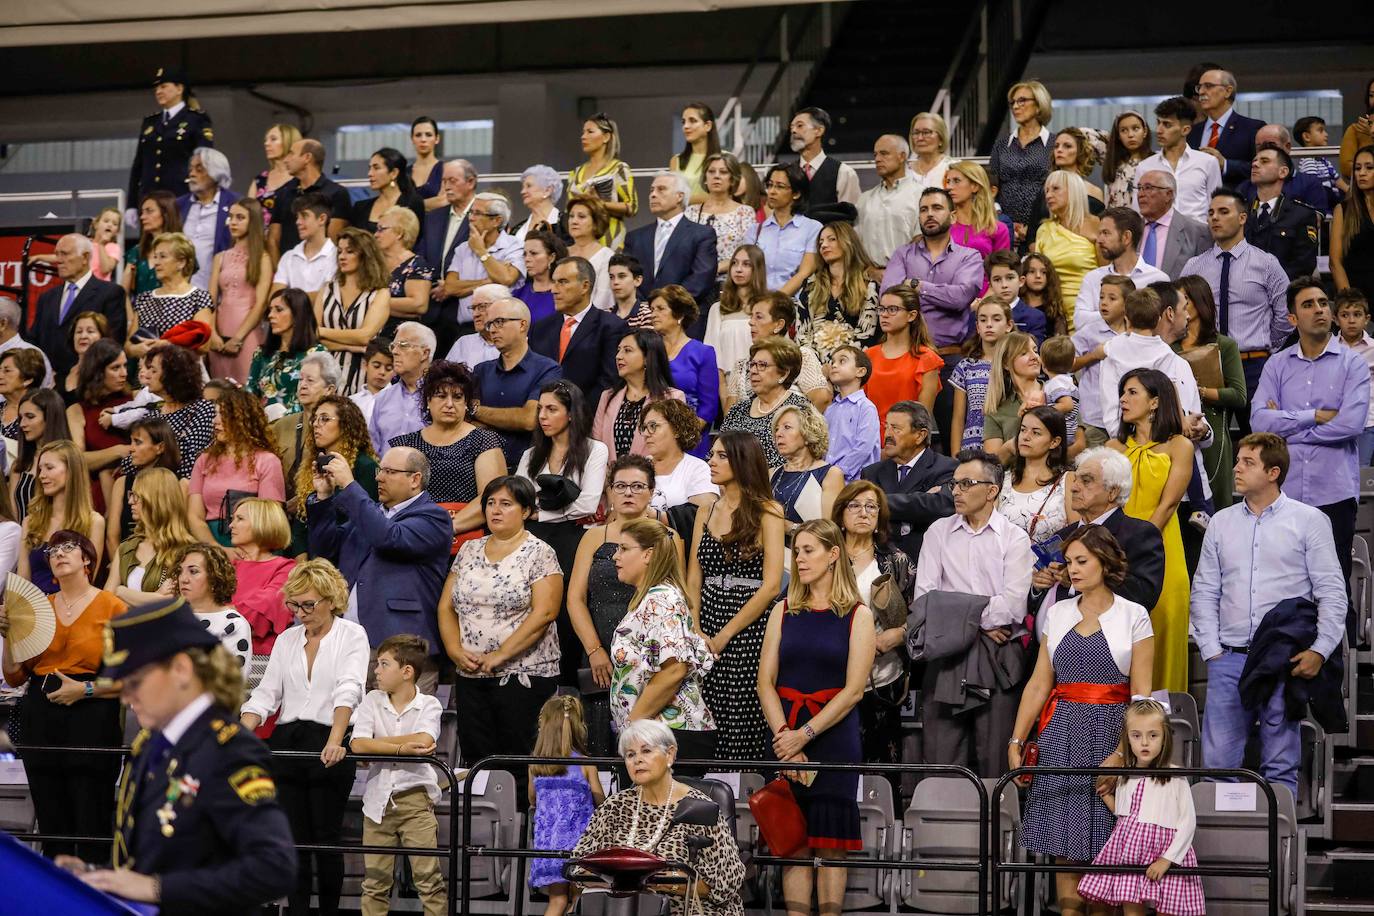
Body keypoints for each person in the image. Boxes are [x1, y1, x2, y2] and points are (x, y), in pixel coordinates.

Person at [72, 592, 296, 912]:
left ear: (180, 669)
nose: (126, 698)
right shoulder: (151, 743)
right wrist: (100, 876)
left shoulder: (229, 750)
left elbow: (274, 868)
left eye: (134, 681)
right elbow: (148, 853)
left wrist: (157, 888)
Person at [1011, 526, 1155, 916]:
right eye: (1070, 562)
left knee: (1112, 850)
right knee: (1065, 847)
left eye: (1082, 561)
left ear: (1105, 563)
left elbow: (1142, 697)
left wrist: (1123, 753)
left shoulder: (1134, 615)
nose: (1072, 569)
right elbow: (1039, 683)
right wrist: (1016, 740)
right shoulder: (1057, 613)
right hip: (1061, 736)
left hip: (1113, 734)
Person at [1192, 433, 1346, 793]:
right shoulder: (1221, 522)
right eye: (1238, 460)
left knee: (1280, 764)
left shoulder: (1310, 521)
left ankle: (1277, 848)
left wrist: (1321, 650)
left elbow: (1332, 592)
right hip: (1228, 657)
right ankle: (1227, 848)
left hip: (1283, 659)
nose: (1236, 468)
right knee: (1217, 768)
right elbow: (1205, 590)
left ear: (1273, 471)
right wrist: (1211, 650)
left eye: (1247, 462)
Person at [758, 519, 874, 914]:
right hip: (785, 732)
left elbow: (854, 690)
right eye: (797, 551)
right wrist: (785, 737)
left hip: (833, 737)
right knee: (793, 840)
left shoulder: (858, 615)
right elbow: (765, 682)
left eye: (809, 550)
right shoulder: (783, 610)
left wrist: (803, 735)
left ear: (833, 555)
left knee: (830, 842)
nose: (800, 558)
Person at [241, 558, 368, 916]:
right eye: (294, 605)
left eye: (308, 605)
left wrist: (336, 739)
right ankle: (296, 911)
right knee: (292, 841)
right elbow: (267, 695)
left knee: (326, 838)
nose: (300, 613)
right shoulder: (287, 638)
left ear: (331, 600)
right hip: (287, 741)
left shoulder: (352, 634)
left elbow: (350, 689)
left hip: (331, 736)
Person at [0, 529, 124, 861]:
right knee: (52, 818)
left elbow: (135, 676)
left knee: (90, 817)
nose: (58, 553)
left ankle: (94, 902)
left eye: (68, 547)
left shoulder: (112, 605)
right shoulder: (39, 607)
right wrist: (10, 636)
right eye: (52, 550)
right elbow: (14, 675)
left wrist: (84, 689)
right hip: (40, 713)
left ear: (87, 559)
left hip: (92, 715)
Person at [438, 476, 562, 791]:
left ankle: (516, 832)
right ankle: (480, 833)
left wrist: (500, 656)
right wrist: (455, 650)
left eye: (506, 504)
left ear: (526, 511)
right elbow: (446, 608)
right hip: (471, 673)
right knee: (478, 760)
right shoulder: (469, 549)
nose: (495, 510)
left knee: (518, 760)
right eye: (491, 503)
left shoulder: (540, 552)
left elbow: (545, 613)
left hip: (524, 674)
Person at [913, 449, 1033, 777]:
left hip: (998, 656)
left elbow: (1012, 606)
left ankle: (995, 828)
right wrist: (978, 622)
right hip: (947, 655)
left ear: (992, 491)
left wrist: (957, 613)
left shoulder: (1014, 538)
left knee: (995, 761)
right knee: (940, 760)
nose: (957, 491)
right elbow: (926, 601)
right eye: (954, 484)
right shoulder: (938, 532)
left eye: (967, 484)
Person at [1253, 278, 1367, 594]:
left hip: (1334, 494)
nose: (1319, 309)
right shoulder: (1277, 364)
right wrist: (1314, 416)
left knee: (1333, 584)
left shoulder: (1353, 363)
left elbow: (1351, 425)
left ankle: (1337, 645)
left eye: (1322, 303)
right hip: (1284, 494)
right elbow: (1259, 420)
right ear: (1292, 319)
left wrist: (1287, 431)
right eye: (1308, 305)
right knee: (1284, 585)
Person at [570, 719, 745, 916]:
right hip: (625, 907)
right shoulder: (614, 806)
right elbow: (578, 868)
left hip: (687, 909)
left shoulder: (699, 807)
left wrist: (669, 886)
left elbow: (726, 883)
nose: (637, 760)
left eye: (646, 751)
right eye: (630, 754)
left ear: (670, 754)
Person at [308, 446, 452, 674]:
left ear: (415, 479)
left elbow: (387, 537)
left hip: (402, 648)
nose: (378, 477)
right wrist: (324, 497)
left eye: (389, 471)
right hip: (349, 642)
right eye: (379, 470)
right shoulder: (371, 513)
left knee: (402, 711)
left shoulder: (434, 517)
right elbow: (325, 551)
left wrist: (349, 486)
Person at [687, 431, 785, 761]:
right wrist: (698, 629)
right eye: (711, 454)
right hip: (706, 623)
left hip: (750, 624)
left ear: (742, 461)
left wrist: (726, 634)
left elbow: (771, 585)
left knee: (743, 712)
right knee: (707, 711)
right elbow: (693, 579)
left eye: (720, 456)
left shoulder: (769, 511)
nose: (710, 461)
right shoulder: (705, 511)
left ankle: (744, 794)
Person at [567, 457, 672, 754]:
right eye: (621, 486)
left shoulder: (668, 539)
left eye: (638, 486)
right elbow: (575, 598)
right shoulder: (592, 537)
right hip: (598, 651)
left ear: (652, 492)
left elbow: (680, 597)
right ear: (610, 492)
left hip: (649, 657)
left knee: (644, 743)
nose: (628, 492)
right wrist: (594, 650)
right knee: (599, 742)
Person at [1106, 369, 1194, 693]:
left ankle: (1166, 730)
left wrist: (1137, 546)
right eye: (1122, 392)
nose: (1123, 400)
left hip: (1163, 552)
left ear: (1155, 401)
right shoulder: (1113, 447)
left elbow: (1168, 505)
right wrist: (1115, 552)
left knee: (1165, 638)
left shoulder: (1179, 446)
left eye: (1132, 393)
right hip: (1116, 555)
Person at [348, 633, 448, 916]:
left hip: (415, 801)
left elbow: (425, 739)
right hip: (377, 803)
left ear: (406, 672)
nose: (376, 671)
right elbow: (358, 744)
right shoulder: (372, 700)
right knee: (375, 883)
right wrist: (403, 748)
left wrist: (378, 746)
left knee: (429, 881)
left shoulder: (429, 704)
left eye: (383, 664)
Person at [1076, 700, 1206, 916]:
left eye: (1153, 735)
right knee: (1131, 907)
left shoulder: (1175, 776)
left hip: (1166, 851)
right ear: (1128, 738)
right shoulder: (1126, 776)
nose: (1144, 742)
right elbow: (1127, 815)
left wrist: (1167, 859)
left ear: (1164, 738)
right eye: (1136, 736)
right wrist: (1108, 797)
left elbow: (1187, 822)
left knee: (1170, 907)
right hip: (1130, 850)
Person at [1180, 188, 1293, 429]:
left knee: (1259, 438)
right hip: (1206, 362)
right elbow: (1180, 313)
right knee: (1207, 439)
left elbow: (1285, 314)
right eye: (1210, 213)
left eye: (1223, 212)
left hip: (1252, 364)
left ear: (1242, 218)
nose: (1215, 218)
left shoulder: (1266, 263)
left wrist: (1265, 346)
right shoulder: (1194, 266)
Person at [881, 188, 985, 443]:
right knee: (900, 435)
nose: (929, 214)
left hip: (949, 358)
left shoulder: (968, 256)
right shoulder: (903, 254)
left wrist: (917, 286)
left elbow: (961, 297)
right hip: (908, 358)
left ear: (952, 214)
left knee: (955, 437)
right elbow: (890, 298)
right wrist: (942, 295)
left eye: (937, 208)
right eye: (924, 209)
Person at [609, 515, 717, 757]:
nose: (615, 556)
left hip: (668, 733)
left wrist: (632, 725)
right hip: (655, 733)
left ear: (648, 554)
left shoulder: (661, 600)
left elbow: (673, 670)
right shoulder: (652, 598)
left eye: (624, 548)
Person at [832, 482, 914, 768]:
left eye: (871, 506)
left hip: (880, 679)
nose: (863, 513)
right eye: (854, 506)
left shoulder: (896, 560)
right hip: (829, 678)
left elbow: (919, 615)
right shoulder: (825, 557)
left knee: (878, 763)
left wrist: (898, 635)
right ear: (840, 514)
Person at [1032, 447, 1166, 616]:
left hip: (1102, 638)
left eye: (1086, 481)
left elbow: (1142, 596)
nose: (1073, 487)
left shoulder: (1139, 534)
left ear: (1113, 492)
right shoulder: (1063, 535)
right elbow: (1033, 604)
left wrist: (1077, 582)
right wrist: (1037, 587)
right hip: (1043, 639)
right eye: (1075, 480)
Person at [388, 361, 504, 540]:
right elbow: (391, 496)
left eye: (457, 397)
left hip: (467, 540)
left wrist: (445, 528)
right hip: (412, 534)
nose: (449, 404)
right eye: (441, 396)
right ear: (428, 401)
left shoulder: (484, 440)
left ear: (466, 403)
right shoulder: (406, 443)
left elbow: (492, 497)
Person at [517, 381, 610, 601]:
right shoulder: (530, 455)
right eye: (540, 409)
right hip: (535, 537)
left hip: (574, 537)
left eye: (552, 409)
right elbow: (520, 498)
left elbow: (587, 504)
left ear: (571, 414)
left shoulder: (595, 450)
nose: (542, 416)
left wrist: (541, 514)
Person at [527, 694, 604, 916]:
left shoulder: (536, 764)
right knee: (580, 899)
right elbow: (601, 802)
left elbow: (533, 800)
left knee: (557, 901)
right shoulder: (584, 763)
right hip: (580, 845)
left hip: (549, 846)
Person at [1174, 276, 1247, 508]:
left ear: (1199, 301)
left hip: (1213, 430)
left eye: (1185, 298)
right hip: (1177, 431)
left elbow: (1239, 395)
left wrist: (1199, 391)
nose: (1180, 305)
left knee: (1217, 507)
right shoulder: (1168, 348)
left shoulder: (1224, 345)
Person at [470, 298, 564, 471]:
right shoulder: (481, 370)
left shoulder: (547, 369)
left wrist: (477, 411)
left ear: (522, 325)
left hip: (528, 469)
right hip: (482, 467)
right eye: (490, 324)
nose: (492, 330)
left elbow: (529, 419)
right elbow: (467, 425)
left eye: (499, 322)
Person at [859, 401, 956, 563]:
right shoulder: (871, 472)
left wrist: (877, 501)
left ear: (920, 435)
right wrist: (922, 499)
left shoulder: (946, 467)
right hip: (880, 562)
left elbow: (941, 505)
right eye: (886, 427)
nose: (887, 434)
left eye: (896, 428)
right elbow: (864, 512)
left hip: (928, 559)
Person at [188, 387, 286, 546]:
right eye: (216, 414)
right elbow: (194, 516)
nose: (215, 421)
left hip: (254, 545)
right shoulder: (204, 460)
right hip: (209, 543)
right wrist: (217, 549)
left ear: (243, 419)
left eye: (224, 415)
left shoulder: (267, 461)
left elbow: (269, 521)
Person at [529, 256, 627, 409]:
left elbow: (609, 382)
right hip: (543, 419)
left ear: (585, 286)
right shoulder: (540, 328)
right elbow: (532, 376)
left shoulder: (611, 327)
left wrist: (571, 412)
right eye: (554, 282)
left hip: (586, 419)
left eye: (562, 282)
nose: (554, 290)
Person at [31, 234, 128, 381]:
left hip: (90, 383)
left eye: (64, 253)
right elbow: (34, 340)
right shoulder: (47, 298)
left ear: (85, 257)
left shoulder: (110, 293)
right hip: (48, 384)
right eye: (57, 254)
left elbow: (113, 343)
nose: (58, 260)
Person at [440, 192, 525, 355]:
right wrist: (488, 283)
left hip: (501, 328)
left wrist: (481, 251)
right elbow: (450, 287)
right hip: (466, 328)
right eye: (471, 212)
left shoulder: (514, 245)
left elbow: (506, 278)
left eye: (477, 213)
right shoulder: (463, 248)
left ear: (497, 220)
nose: (471, 218)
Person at [623, 173, 718, 316]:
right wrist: (646, 310)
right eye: (651, 190)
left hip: (684, 318)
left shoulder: (702, 234)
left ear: (679, 196)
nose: (653, 195)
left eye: (661, 189)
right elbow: (628, 278)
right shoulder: (635, 237)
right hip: (641, 321)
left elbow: (700, 279)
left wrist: (665, 306)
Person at [19, 442, 106, 593]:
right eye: (40, 469)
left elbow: (87, 579)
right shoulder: (30, 522)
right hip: (33, 611)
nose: (41, 475)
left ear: (71, 471)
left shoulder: (93, 522)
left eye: (49, 468)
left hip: (71, 609)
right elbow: (22, 581)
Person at [315, 227, 393, 396]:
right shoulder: (327, 289)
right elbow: (311, 338)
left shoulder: (380, 294)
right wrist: (350, 345)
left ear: (365, 255)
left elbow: (364, 336)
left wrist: (322, 331)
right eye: (340, 251)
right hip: (323, 373)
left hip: (361, 375)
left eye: (350, 251)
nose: (342, 256)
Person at [725, 291, 830, 413]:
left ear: (779, 325)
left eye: (758, 317)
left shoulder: (801, 356)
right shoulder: (741, 366)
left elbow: (822, 400)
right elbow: (729, 414)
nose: (751, 322)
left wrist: (793, 428)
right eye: (751, 316)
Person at [226, 498, 296, 683]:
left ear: (261, 522)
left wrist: (219, 615)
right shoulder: (225, 566)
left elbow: (263, 610)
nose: (231, 525)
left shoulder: (285, 568)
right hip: (218, 658)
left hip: (261, 661)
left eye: (240, 519)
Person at [126, 66, 215, 209]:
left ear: (179, 89)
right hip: (149, 200)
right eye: (156, 88)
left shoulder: (196, 119)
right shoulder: (150, 122)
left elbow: (204, 160)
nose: (158, 91)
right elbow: (138, 165)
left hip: (181, 198)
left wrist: (203, 196)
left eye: (163, 86)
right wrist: (131, 204)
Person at [1073, 206, 1170, 336]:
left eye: (1106, 233)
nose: (1099, 240)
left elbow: (1163, 326)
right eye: (1099, 233)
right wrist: (1127, 314)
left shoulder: (1158, 280)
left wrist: (1109, 315)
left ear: (1126, 237)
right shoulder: (1093, 278)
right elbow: (1079, 321)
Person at [105, 465, 195, 605]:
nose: (130, 501)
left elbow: (174, 605)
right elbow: (106, 602)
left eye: (137, 496)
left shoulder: (187, 551)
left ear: (156, 500)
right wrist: (155, 597)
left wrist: (122, 592)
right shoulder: (126, 548)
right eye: (131, 494)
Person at [592, 329, 683, 461]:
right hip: (610, 479)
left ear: (647, 358)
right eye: (619, 350)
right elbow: (597, 445)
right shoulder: (607, 397)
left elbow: (673, 450)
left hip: (654, 478)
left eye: (627, 350)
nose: (618, 356)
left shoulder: (673, 398)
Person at [207, 197, 271, 382]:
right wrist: (212, 333)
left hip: (247, 334)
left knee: (247, 389)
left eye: (240, 217)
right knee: (219, 392)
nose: (233, 222)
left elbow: (260, 305)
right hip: (218, 335)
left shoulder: (262, 258)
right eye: (231, 217)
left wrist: (238, 338)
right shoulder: (220, 257)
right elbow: (209, 301)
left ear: (254, 221)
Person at [720, 336, 811, 467]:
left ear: (783, 374)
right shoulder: (738, 410)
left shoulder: (799, 409)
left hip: (781, 483)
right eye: (752, 365)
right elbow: (720, 452)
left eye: (762, 365)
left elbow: (808, 457)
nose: (753, 371)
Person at [650, 285, 720, 454]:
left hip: (690, 440)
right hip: (651, 435)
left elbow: (709, 407)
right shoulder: (649, 351)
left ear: (679, 314)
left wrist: (680, 436)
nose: (653, 314)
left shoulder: (703, 352)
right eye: (652, 309)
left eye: (660, 309)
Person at [798, 221, 881, 360]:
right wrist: (816, 367)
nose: (824, 245)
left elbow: (867, 335)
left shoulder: (868, 286)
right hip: (814, 369)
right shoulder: (810, 286)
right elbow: (803, 335)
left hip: (854, 367)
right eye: (821, 242)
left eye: (832, 239)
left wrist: (840, 365)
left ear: (848, 242)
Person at [125, 231, 214, 362]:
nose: (156, 262)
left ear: (181, 262)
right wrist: (136, 349)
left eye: (162, 256)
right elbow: (129, 345)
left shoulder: (198, 297)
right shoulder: (145, 299)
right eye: (155, 256)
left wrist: (166, 345)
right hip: (148, 374)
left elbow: (204, 345)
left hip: (183, 373)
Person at [863, 285, 943, 430]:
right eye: (881, 309)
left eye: (892, 309)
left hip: (908, 440)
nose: (884, 315)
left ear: (911, 315)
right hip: (870, 438)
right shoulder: (868, 356)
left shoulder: (926, 358)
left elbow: (922, 418)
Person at [167, 542, 253, 674]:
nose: (183, 579)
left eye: (193, 571)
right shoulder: (172, 618)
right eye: (180, 572)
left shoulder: (233, 624)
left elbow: (231, 681)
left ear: (214, 578)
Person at [1134, 97, 1222, 223]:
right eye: (1158, 122)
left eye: (1167, 125)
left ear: (1185, 130)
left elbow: (1216, 207)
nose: (1159, 130)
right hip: (1157, 237)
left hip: (1199, 238)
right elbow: (1138, 213)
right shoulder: (1145, 167)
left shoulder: (1208, 162)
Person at [1032, 171, 1101, 329]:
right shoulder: (1044, 229)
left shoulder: (1097, 225)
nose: (1049, 195)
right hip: (1055, 312)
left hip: (1091, 308)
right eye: (1047, 190)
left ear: (1074, 190)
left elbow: (1107, 271)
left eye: (1056, 189)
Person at [988, 80, 1053, 245]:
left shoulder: (1055, 143)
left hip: (1045, 227)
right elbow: (990, 187)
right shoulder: (1001, 145)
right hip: (1005, 228)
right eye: (1013, 103)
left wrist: (1031, 227)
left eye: (1022, 101)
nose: (1015, 106)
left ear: (1038, 105)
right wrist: (1003, 221)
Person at [244, 287, 326, 419]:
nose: (270, 315)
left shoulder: (316, 354)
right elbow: (250, 393)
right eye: (270, 310)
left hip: (297, 427)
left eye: (278, 309)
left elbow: (317, 399)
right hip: (262, 427)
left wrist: (281, 418)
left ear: (297, 314)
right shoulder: (262, 353)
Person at [999, 405, 1077, 543]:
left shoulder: (1068, 480)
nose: (1025, 437)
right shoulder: (1003, 479)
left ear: (1054, 442)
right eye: (1023, 430)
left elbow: (1077, 533)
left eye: (1036, 433)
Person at [105, 416, 179, 558]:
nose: (131, 449)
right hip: (125, 561)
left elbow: (178, 532)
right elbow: (112, 536)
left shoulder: (177, 483)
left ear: (160, 447)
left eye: (138, 442)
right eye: (131, 442)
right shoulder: (122, 483)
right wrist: (121, 569)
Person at [1243, 144, 1320, 280]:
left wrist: (1272, 284)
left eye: (1264, 161)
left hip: (1284, 290)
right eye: (1254, 161)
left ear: (1283, 172)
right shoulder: (1240, 211)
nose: (1255, 164)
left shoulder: (1301, 214)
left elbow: (1304, 264)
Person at [568, 112, 638, 250]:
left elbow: (631, 207)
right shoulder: (575, 173)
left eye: (590, 132)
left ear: (606, 137)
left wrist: (599, 204)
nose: (583, 137)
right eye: (583, 132)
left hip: (610, 238)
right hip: (580, 241)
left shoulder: (618, 169)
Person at [270, 138, 352, 253]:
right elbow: (273, 239)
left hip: (323, 267)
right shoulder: (283, 193)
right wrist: (280, 269)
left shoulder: (336, 193)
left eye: (291, 153)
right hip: (287, 267)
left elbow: (335, 242)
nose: (286, 160)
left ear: (307, 157)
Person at [751, 164, 822, 296]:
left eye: (779, 186)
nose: (771, 191)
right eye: (770, 185)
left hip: (794, 305)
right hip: (757, 303)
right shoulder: (754, 230)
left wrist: (775, 301)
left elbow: (805, 273)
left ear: (796, 193)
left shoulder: (813, 228)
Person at [367, 321, 436, 455]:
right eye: (394, 346)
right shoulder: (382, 398)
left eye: (403, 345)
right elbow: (372, 451)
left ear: (425, 353)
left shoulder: (441, 397)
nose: (394, 351)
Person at [771, 403, 844, 529]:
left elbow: (831, 530)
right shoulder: (772, 473)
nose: (778, 434)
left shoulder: (831, 474)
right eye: (776, 429)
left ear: (807, 433)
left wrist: (791, 528)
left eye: (787, 427)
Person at [1186, 68, 1264, 186]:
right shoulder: (1192, 132)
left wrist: (1225, 164)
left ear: (1228, 91)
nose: (1201, 92)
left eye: (1208, 86)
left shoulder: (1252, 128)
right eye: (1199, 87)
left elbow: (1264, 168)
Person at [687, 152, 761, 273]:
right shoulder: (691, 212)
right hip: (695, 281)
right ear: (705, 178)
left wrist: (714, 269)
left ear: (733, 179)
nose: (716, 176)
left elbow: (749, 251)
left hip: (731, 282)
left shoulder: (745, 212)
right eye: (711, 171)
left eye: (723, 172)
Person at [176, 148, 238, 290]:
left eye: (199, 169)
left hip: (219, 289)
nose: (192, 173)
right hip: (181, 290)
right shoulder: (179, 205)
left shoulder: (234, 204)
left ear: (215, 172)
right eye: (191, 169)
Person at [641, 399, 717, 512]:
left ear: (677, 429)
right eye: (644, 428)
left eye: (653, 426)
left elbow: (701, 514)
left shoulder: (697, 469)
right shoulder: (638, 466)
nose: (645, 434)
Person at [856, 133, 922, 265]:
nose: (878, 159)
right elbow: (856, 244)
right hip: (869, 279)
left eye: (884, 153)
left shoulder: (921, 195)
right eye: (875, 155)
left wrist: (896, 272)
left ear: (902, 156)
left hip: (908, 278)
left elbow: (922, 240)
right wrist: (869, 270)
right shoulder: (864, 199)